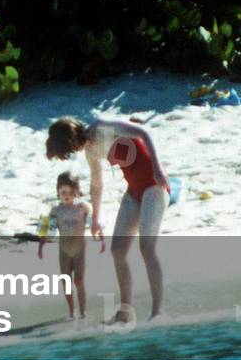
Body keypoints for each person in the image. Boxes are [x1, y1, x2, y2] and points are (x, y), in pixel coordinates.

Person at [46, 116, 171, 322]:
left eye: (69, 149)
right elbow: (97, 185)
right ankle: (126, 312)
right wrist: (95, 219)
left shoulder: (102, 127)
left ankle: (158, 312)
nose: (73, 152)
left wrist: (158, 168)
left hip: (154, 185)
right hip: (135, 190)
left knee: (146, 247)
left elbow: (143, 133)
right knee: (118, 250)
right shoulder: (90, 150)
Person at [38, 172, 103, 319]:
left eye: (70, 191)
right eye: (62, 192)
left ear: (76, 191)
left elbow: (93, 223)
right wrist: (41, 245)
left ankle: (83, 311)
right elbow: (49, 231)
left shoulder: (82, 208)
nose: (66, 195)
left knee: (79, 281)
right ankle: (72, 311)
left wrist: (100, 237)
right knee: (66, 282)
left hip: (80, 249)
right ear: (58, 192)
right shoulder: (56, 211)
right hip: (64, 251)